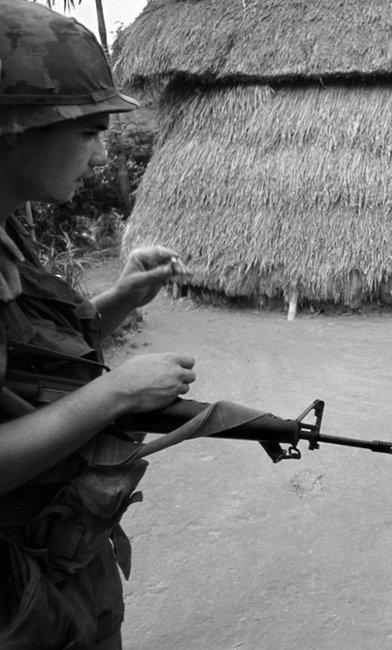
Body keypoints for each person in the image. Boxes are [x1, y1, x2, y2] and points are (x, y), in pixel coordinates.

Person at [0, 1, 196, 646]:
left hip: (53, 563)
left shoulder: (9, 233)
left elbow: (32, 366)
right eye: (87, 129)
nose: (102, 147)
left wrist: (120, 301)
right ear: (14, 127)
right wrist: (116, 392)